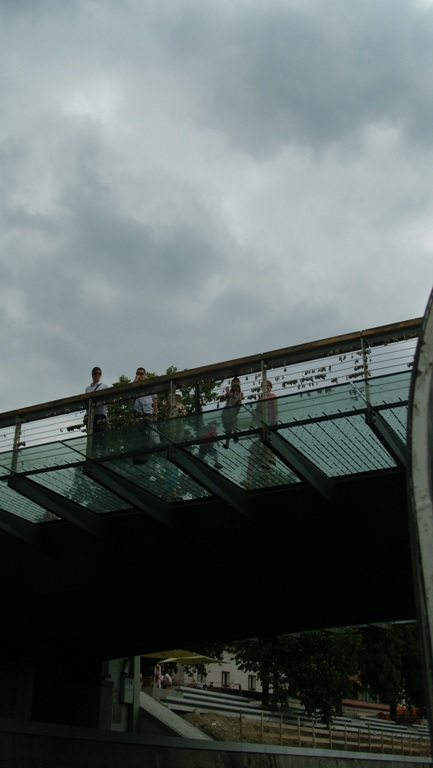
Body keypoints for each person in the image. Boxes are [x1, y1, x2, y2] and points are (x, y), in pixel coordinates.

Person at [131, 367, 158, 464]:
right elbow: (130, 395)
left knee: (146, 434)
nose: (139, 375)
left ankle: (144, 455)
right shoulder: (134, 385)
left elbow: (155, 400)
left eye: (141, 373)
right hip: (137, 412)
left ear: (145, 374)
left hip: (147, 412)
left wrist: (155, 413)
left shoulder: (149, 385)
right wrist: (135, 382)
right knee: (137, 434)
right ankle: (136, 455)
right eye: (138, 373)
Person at [85, 367, 109, 433]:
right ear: (92, 375)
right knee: (92, 435)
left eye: (99, 373)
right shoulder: (88, 388)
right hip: (92, 416)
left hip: (101, 414)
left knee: (101, 434)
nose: (97, 375)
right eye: (95, 373)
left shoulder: (104, 386)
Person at [221, 378, 243, 449]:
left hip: (233, 413)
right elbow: (227, 398)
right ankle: (228, 442)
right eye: (234, 386)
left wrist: (238, 404)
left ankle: (235, 434)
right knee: (228, 429)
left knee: (234, 423)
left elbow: (239, 403)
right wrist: (228, 392)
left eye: (237, 386)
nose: (236, 388)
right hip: (226, 413)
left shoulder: (240, 394)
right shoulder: (230, 394)